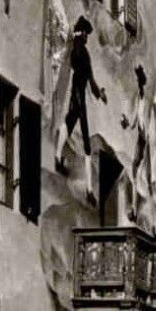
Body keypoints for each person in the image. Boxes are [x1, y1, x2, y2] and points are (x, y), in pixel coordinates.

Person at [54, 16, 107, 206]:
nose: (87, 37)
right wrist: (98, 93)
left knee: (69, 125)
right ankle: (89, 190)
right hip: (78, 97)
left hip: (76, 96)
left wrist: (99, 94)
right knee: (85, 141)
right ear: (82, 32)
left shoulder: (77, 50)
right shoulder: (81, 51)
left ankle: (58, 158)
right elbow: (89, 80)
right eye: (86, 33)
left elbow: (89, 81)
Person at [121, 64, 150, 223]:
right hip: (141, 137)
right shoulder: (140, 100)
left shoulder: (145, 101)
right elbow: (134, 122)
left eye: (140, 82)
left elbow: (145, 123)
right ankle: (133, 206)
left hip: (146, 139)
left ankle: (135, 205)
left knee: (137, 171)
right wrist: (126, 122)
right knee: (134, 169)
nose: (139, 86)